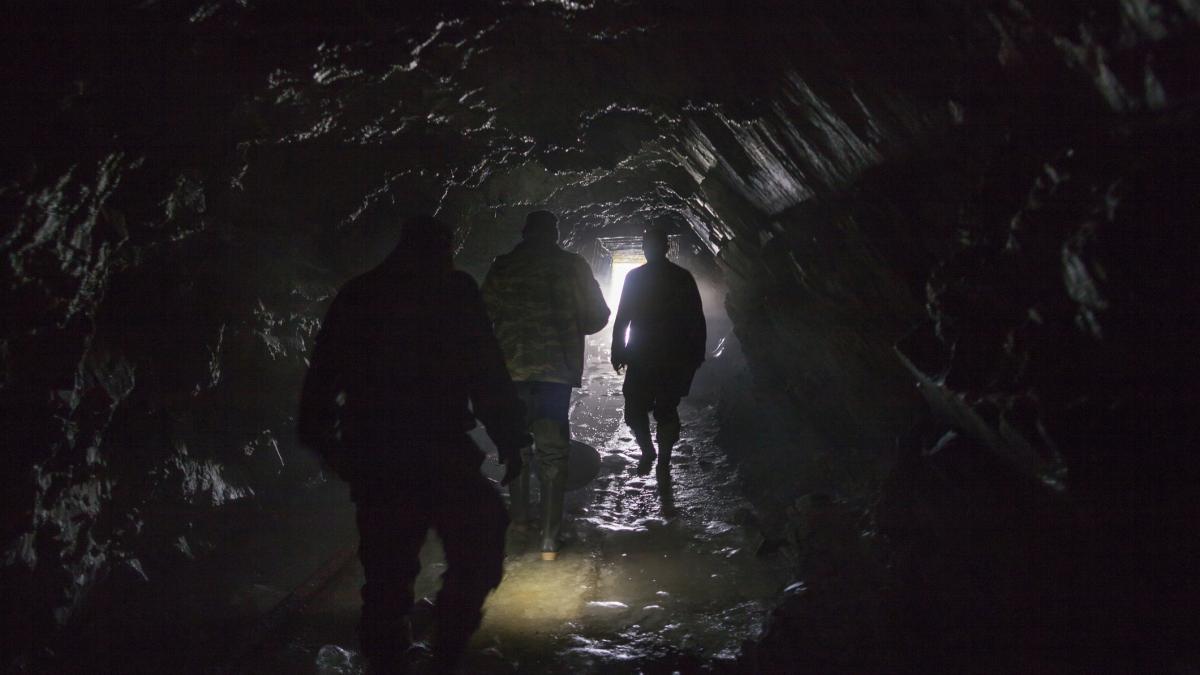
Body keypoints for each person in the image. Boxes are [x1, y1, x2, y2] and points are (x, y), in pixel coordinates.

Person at [297, 215, 529, 674]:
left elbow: (321, 379)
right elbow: (486, 369)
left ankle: (389, 658)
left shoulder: (359, 294)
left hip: (378, 454)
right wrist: (509, 436)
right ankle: (444, 651)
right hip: (438, 449)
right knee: (480, 543)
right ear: (443, 249)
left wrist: (328, 445)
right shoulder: (454, 290)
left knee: (387, 573)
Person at [481, 210, 610, 561]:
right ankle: (549, 541)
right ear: (555, 234)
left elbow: (482, 315)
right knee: (553, 452)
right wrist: (566, 323)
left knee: (517, 447)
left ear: (524, 233)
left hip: (510, 374)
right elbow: (598, 316)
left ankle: (520, 523)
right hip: (555, 375)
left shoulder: (503, 266)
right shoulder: (573, 266)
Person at [611, 226, 706, 477]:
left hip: (646, 354)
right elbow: (697, 319)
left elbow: (623, 318)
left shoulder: (637, 277)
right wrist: (696, 354)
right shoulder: (681, 277)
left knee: (637, 408)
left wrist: (618, 350)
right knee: (663, 407)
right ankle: (659, 456)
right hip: (670, 355)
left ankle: (654, 454)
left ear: (660, 248)